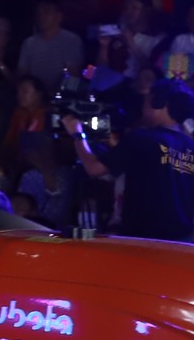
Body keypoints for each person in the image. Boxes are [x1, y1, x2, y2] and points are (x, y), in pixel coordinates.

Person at [65, 82, 194, 243]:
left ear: (160, 103)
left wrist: (78, 136)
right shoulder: (191, 145)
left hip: (145, 239)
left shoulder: (141, 137)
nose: (142, 107)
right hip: (184, 242)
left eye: (146, 101)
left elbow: (94, 168)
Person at [18, 0, 85, 92]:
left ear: (59, 16)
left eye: (47, 11)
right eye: (39, 13)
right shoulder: (28, 43)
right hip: (34, 99)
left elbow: (74, 76)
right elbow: (22, 75)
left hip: (61, 98)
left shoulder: (72, 40)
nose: (41, 16)